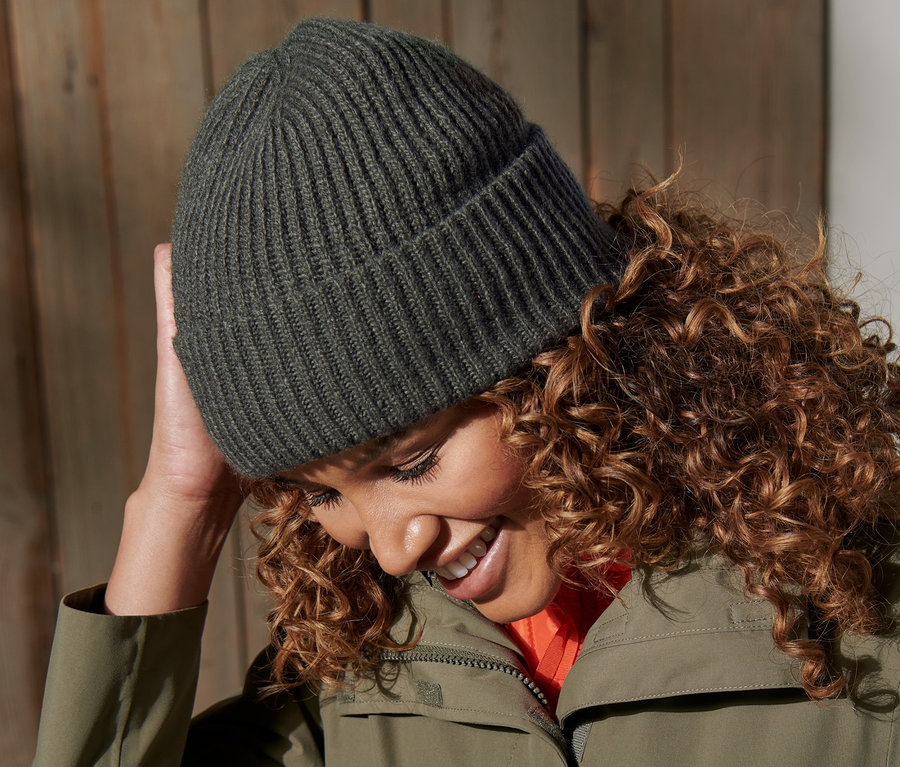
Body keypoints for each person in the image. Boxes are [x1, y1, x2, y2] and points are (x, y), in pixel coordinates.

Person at [32, 18, 900, 767]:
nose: (389, 549)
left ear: (564, 356)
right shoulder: (359, 684)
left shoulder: (861, 617)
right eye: (315, 490)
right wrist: (176, 503)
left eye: (411, 461)